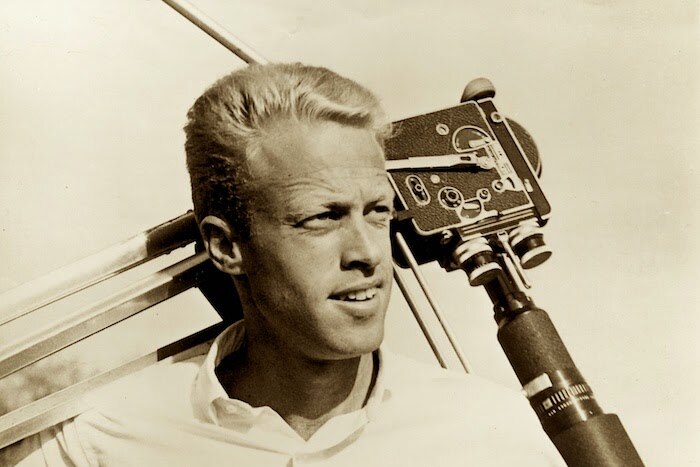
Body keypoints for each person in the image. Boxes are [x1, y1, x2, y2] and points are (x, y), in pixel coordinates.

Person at [9, 63, 565, 465]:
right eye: (321, 218)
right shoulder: (101, 442)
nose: (368, 254)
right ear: (227, 246)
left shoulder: (489, 436)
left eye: (377, 212)